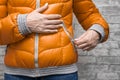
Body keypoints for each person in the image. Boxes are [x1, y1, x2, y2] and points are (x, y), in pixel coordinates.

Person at [0, 0, 109, 80]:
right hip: (17, 75)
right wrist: (23, 23)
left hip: (63, 74)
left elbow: (92, 15)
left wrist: (97, 32)